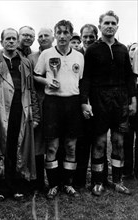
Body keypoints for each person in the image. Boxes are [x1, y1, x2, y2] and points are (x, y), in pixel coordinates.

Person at [0, 28, 40, 201]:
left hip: (21, 113)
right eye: (8, 38)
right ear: (2, 41)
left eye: (14, 38)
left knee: (17, 148)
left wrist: (35, 115)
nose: (11, 41)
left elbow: (31, 90)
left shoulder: (25, 62)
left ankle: (16, 186)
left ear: (17, 41)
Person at [80, 10, 137, 196]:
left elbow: (129, 76)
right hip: (99, 98)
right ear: (100, 26)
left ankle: (118, 180)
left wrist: (133, 99)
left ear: (117, 26)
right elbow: (86, 77)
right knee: (100, 141)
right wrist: (84, 102)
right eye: (107, 23)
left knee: (118, 141)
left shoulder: (122, 49)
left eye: (113, 23)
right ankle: (97, 182)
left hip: (120, 98)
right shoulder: (93, 49)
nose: (110, 26)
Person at [34, 20, 84, 199]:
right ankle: (53, 185)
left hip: (72, 103)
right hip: (53, 103)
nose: (62, 36)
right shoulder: (46, 54)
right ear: (55, 35)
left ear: (71, 35)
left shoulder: (79, 56)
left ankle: (68, 184)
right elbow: (36, 76)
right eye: (59, 33)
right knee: (53, 146)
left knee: (71, 145)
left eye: (66, 32)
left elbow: (81, 80)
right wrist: (46, 81)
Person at [74, 23, 109, 190]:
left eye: (91, 36)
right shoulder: (76, 55)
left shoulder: (101, 52)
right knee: (82, 142)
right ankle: (79, 180)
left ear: (96, 37)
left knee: (99, 140)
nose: (88, 39)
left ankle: (101, 178)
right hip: (80, 102)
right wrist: (83, 101)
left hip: (100, 101)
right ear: (81, 38)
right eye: (85, 36)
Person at [28, 28, 54, 192]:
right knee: (37, 143)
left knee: (54, 142)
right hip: (38, 102)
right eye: (40, 36)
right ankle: (37, 182)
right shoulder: (31, 58)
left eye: (46, 35)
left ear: (53, 37)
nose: (43, 38)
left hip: (57, 103)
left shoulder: (60, 54)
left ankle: (55, 181)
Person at [123, 45, 138, 179]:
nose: (135, 51)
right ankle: (126, 170)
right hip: (127, 103)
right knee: (127, 137)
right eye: (132, 49)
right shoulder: (126, 70)